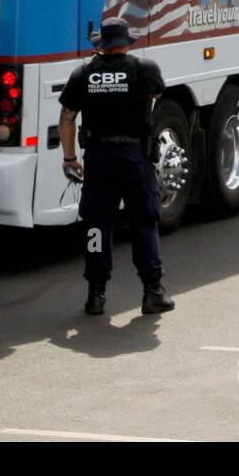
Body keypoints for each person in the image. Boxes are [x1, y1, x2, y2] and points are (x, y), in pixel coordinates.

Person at [58, 17, 174, 316]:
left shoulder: (83, 73)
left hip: (98, 160)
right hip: (135, 159)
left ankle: (95, 295)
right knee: (144, 224)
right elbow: (157, 94)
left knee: (97, 227)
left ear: (102, 44)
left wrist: (70, 159)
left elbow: (68, 118)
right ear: (126, 41)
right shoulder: (144, 69)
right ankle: (153, 292)